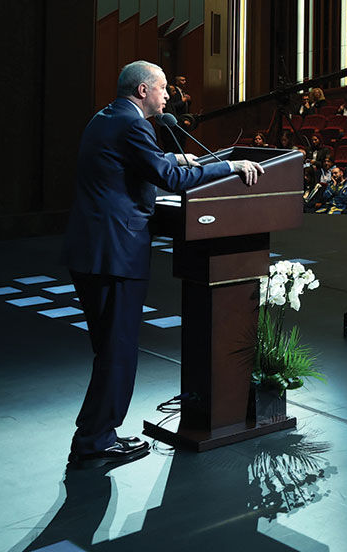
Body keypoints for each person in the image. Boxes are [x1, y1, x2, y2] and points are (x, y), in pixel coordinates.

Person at [63, 61, 263, 470]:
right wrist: (229, 167)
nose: (168, 95)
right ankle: (95, 441)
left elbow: (135, 163)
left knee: (109, 350)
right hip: (114, 255)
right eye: (162, 88)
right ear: (142, 91)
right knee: (118, 352)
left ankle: (95, 433)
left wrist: (176, 156)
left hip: (92, 251)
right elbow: (169, 180)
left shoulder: (108, 118)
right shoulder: (134, 125)